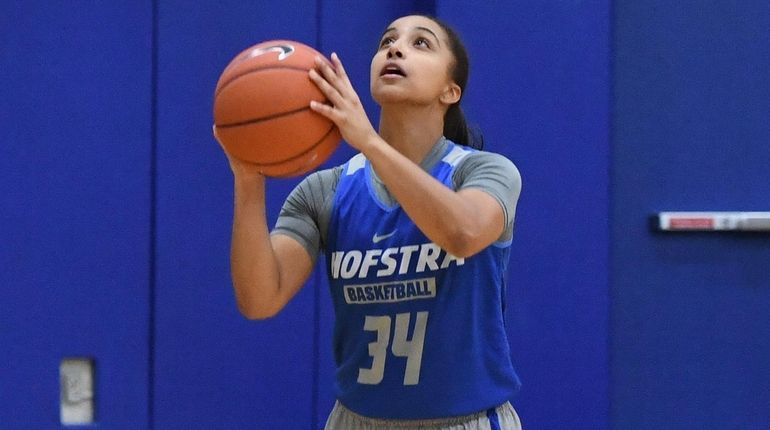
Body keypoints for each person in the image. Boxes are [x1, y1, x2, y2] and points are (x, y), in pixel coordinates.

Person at [214, 14, 523, 430]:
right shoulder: (324, 191)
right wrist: (248, 178)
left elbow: (462, 234)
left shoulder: (485, 171)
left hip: (464, 421)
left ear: (451, 91)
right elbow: (259, 299)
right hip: (356, 420)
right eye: (387, 41)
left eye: (421, 44)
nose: (395, 48)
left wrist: (369, 142)